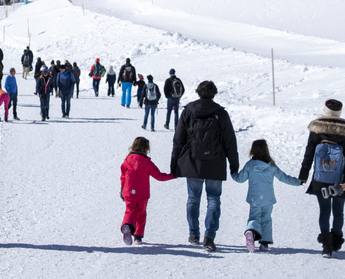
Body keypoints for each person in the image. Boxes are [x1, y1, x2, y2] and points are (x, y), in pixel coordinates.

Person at [170, 80, 240, 252]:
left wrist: (174, 164)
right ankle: (209, 237)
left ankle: (193, 234)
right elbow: (230, 141)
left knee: (193, 198)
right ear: (214, 93)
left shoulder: (188, 111)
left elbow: (178, 139)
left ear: (198, 92)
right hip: (215, 163)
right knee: (214, 198)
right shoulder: (220, 113)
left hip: (192, 162)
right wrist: (234, 165)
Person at [297, 99, 345, 257]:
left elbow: (309, 153)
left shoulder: (317, 128)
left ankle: (326, 245)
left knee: (324, 211)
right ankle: (336, 241)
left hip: (321, 177)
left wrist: (303, 175)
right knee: (338, 211)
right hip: (340, 179)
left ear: (325, 110)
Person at [231, 139, 301, 251]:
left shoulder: (250, 165)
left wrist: (233, 173)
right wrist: (298, 182)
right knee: (266, 219)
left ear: (252, 150)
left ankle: (250, 231)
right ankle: (264, 243)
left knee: (254, 217)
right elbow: (284, 177)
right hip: (268, 198)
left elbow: (240, 179)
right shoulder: (271, 165)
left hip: (255, 198)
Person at [119, 136, 175, 245]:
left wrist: (122, 189)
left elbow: (123, 177)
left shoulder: (126, 161)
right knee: (141, 214)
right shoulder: (147, 163)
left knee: (130, 211)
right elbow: (159, 176)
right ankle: (138, 237)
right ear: (146, 148)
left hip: (128, 192)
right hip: (142, 194)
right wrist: (173, 176)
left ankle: (127, 225)